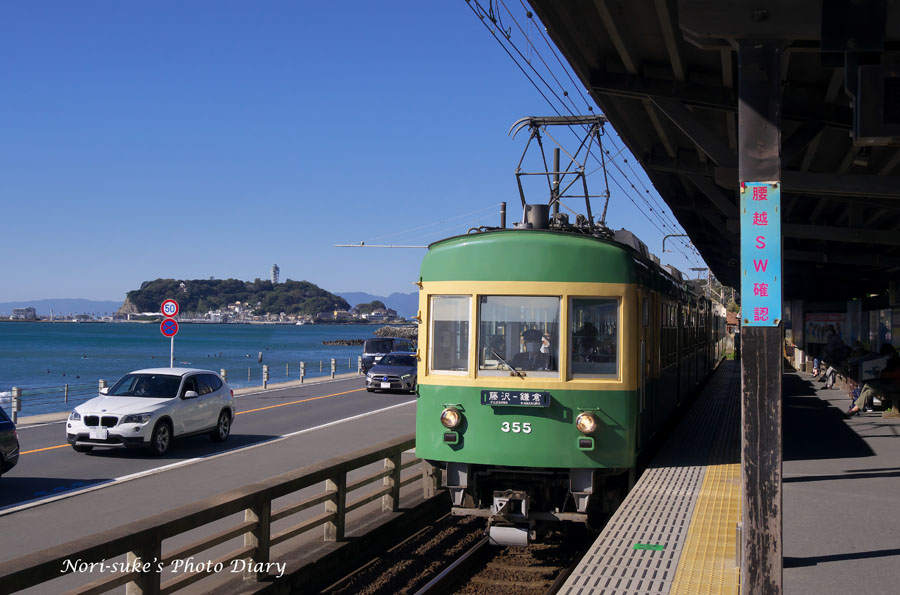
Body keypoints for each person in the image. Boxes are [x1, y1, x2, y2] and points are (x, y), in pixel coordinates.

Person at [848, 345, 900, 415]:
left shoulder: (897, 361)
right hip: (891, 384)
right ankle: (856, 408)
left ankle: (856, 408)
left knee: (869, 385)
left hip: (896, 386)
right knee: (869, 391)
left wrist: (881, 374)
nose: (886, 357)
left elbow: (895, 374)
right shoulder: (892, 360)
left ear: (891, 353)